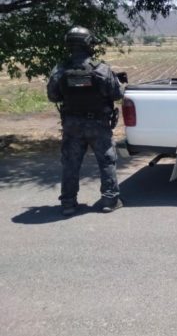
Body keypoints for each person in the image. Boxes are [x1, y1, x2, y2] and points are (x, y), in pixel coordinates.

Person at [47, 26, 124, 216]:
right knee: (107, 161)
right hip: (98, 125)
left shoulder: (60, 70)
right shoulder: (102, 70)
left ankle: (68, 203)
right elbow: (117, 94)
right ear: (89, 44)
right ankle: (110, 201)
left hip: (72, 125)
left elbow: (53, 96)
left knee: (70, 163)